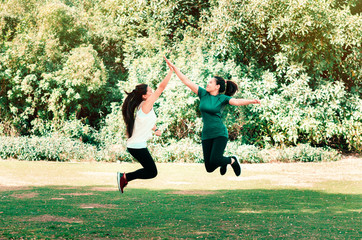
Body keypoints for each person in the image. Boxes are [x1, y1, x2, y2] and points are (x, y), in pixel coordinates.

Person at [164, 57, 260, 176]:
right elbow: (186, 81)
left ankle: (232, 160)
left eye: (210, 82)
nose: (207, 84)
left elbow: (237, 101)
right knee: (209, 167)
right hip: (206, 134)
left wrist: (252, 101)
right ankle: (224, 162)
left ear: (217, 86)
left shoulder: (222, 98)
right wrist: (174, 67)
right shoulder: (203, 94)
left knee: (215, 159)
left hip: (219, 133)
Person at [117, 57, 173, 193]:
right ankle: (124, 177)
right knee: (152, 172)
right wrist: (171, 71)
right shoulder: (146, 105)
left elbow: (147, 122)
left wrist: (156, 129)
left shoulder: (145, 107)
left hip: (137, 145)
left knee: (151, 171)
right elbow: (161, 88)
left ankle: (124, 178)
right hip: (136, 146)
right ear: (144, 96)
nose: (152, 91)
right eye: (150, 91)